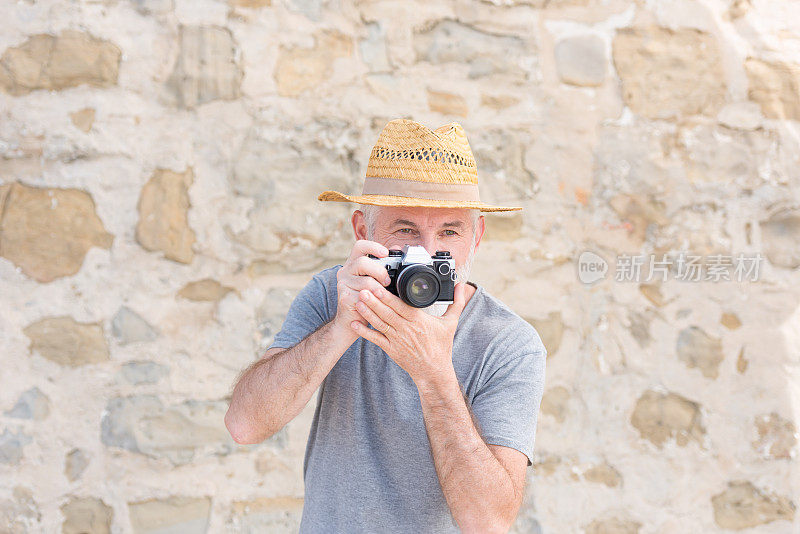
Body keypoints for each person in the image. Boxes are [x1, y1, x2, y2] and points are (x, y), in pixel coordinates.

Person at [224, 119, 548, 533]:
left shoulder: (508, 343)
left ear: (477, 236)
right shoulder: (334, 293)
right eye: (406, 230)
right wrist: (343, 326)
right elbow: (244, 425)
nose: (426, 254)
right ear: (363, 231)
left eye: (449, 231)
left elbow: (487, 522)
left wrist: (434, 373)